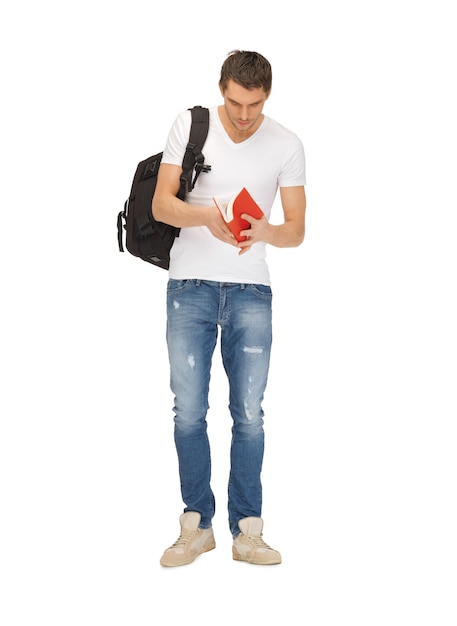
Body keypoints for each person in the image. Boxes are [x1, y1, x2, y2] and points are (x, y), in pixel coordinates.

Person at [152, 50, 306, 567]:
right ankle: (197, 525)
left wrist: (264, 230)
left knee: (249, 415)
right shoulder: (189, 125)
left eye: (255, 106)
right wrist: (205, 220)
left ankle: (248, 531)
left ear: (267, 97)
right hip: (189, 286)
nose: (245, 117)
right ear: (223, 89)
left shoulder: (286, 143)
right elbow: (160, 204)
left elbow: (296, 230)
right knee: (189, 411)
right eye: (237, 103)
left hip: (250, 292)